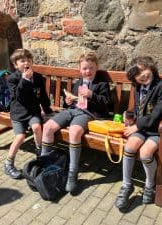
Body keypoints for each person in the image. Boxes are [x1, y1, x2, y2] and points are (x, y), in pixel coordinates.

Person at [41, 51, 112, 193]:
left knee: (74, 132)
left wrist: (92, 95)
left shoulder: (102, 84)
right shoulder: (78, 83)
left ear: (96, 67)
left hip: (88, 113)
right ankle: (43, 165)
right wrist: (68, 101)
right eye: (85, 68)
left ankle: (72, 175)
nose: (88, 71)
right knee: (48, 127)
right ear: (80, 70)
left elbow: (107, 104)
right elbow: (72, 102)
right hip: (72, 110)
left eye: (91, 68)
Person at [114, 56, 162, 208]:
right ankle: (127, 185)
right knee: (129, 147)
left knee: (145, 154)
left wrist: (136, 126)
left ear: (151, 68)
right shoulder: (138, 87)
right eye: (137, 74)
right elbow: (138, 109)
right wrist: (130, 117)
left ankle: (149, 185)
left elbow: (157, 115)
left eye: (144, 70)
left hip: (157, 130)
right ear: (134, 79)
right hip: (142, 128)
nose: (142, 75)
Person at [5, 48, 53, 179]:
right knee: (20, 136)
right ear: (16, 64)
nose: (26, 63)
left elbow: (42, 95)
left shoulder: (37, 77)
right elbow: (18, 96)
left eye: (29, 60)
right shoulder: (12, 79)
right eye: (22, 61)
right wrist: (24, 80)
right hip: (18, 113)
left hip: (33, 111)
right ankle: (9, 164)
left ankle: (40, 153)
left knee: (37, 127)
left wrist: (48, 111)